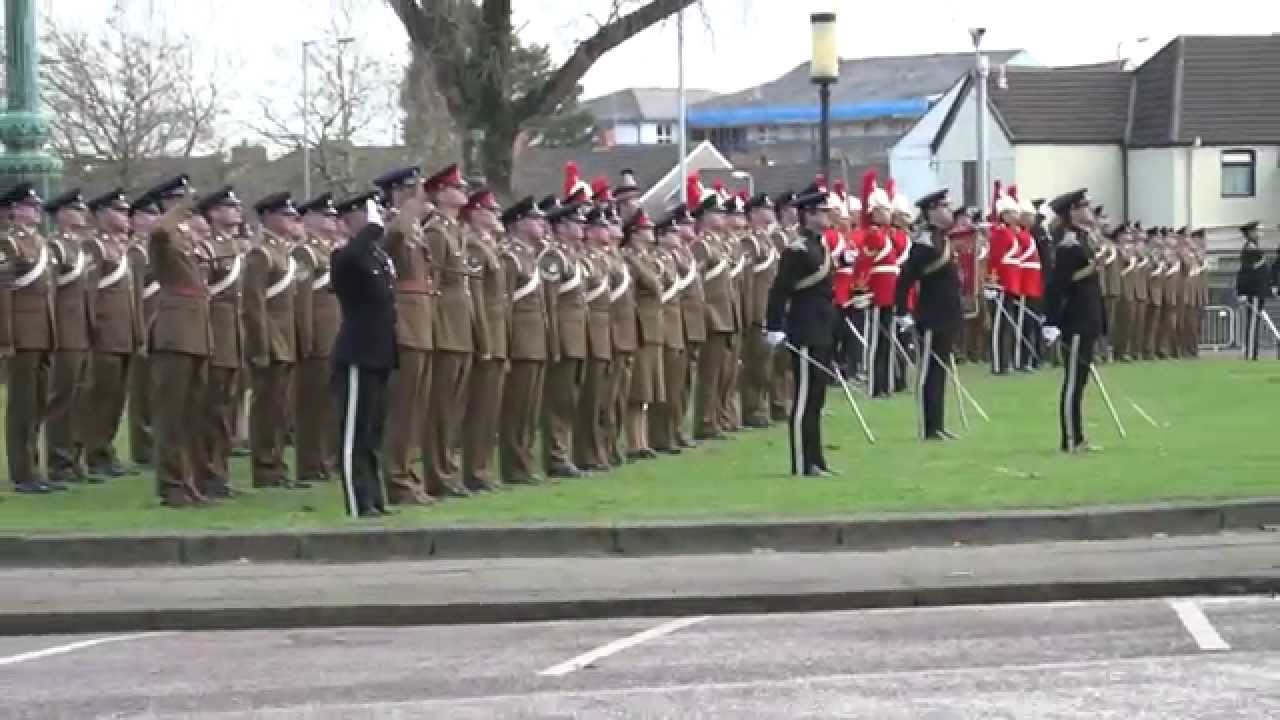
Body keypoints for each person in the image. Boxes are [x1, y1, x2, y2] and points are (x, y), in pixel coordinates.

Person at [145, 174, 215, 506]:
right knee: (170, 416)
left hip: (197, 333)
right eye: (177, 200)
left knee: (192, 415)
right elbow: (158, 230)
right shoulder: (163, 238)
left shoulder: (186, 241)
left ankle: (189, 482)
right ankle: (171, 485)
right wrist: (182, 207)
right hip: (174, 335)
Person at [764, 184, 839, 477]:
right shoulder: (797, 249)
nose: (827, 215)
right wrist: (775, 326)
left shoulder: (820, 246)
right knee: (805, 398)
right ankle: (801, 461)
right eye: (822, 211)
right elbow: (779, 290)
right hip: (805, 328)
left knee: (817, 399)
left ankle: (816, 459)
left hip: (822, 326)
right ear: (808, 215)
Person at [422, 163, 487, 498]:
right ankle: (438, 474)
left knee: (455, 408)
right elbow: (431, 284)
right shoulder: (435, 232)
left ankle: (449, 471)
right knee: (441, 408)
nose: (463, 192)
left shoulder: (454, 232)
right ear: (441, 193)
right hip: (446, 326)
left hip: (461, 326)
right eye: (456, 187)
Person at [373, 165, 435, 506]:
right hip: (404, 325)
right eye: (413, 188)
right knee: (401, 408)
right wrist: (406, 213)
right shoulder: (390, 223)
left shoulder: (413, 226)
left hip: (421, 323)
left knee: (415, 409)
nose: (420, 194)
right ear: (398, 191)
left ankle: (409, 475)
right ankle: (396, 479)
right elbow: (385, 247)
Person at [330, 195, 394, 518]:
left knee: (372, 432)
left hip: (380, 353)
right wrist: (370, 228)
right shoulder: (344, 256)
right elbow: (348, 261)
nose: (373, 219)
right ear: (346, 220)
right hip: (357, 352)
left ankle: (375, 499)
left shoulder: (377, 257)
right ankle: (358, 502)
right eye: (363, 214)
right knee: (354, 433)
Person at [80, 188, 146, 481]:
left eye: (125, 211)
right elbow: (90, 294)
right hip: (105, 333)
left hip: (124, 334)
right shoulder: (94, 248)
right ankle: (94, 455)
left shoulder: (124, 249)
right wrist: (93, 329)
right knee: (100, 397)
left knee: (116, 399)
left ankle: (106, 451)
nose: (124, 216)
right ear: (101, 215)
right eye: (118, 211)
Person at [0, 182, 59, 493]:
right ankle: (22, 472)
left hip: (43, 332)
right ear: (13, 211)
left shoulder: (41, 243)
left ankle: (34, 467)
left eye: (36, 206)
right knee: (22, 405)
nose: (35, 211)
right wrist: (6, 338)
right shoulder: (8, 243)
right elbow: (4, 293)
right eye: (28, 206)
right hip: (22, 335)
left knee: (38, 403)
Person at [244, 191, 303, 489]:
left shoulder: (283, 251)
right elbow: (254, 305)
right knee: (266, 408)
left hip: (286, 339)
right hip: (271, 340)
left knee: (280, 409)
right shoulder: (261, 253)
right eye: (284, 215)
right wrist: (260, 346)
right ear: (267, 217)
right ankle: (265, 469)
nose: (290, 220)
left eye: (291, 215)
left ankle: (277, 465)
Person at [896, 189, 962, 441]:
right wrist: (903, 311)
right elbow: (905, 280)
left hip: (947, 314)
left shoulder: (942, 239)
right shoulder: (924, 243)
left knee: (940, 370)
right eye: (944, 207)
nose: (949, 211)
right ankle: (929, 427)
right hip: (932, 315)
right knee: (930, 373)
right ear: (932, 211)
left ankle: (939, 424)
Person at [1042, 188, 1105, 454]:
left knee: (1080, 381)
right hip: (1075, 319)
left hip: (1087, 317)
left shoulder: (1082, 238)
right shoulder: (1069, 244)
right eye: (1084, 207)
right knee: (1073, 382)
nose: (1089, 211)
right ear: (1073, 212)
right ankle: (1070, 438)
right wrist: (1052, 322)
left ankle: (1078, 437)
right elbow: (1057, 285)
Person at [194, 186, 248, 498]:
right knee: (211, 409)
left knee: (227, 409)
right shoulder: (207, 250)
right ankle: (208, 474)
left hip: (234, 336)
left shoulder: (236, 248)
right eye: (229, 207)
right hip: (216, 336)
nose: (236, 212)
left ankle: (220, 472)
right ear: (213, 213)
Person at [497, 196, 553, 486]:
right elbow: (504, 304)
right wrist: (505, 345)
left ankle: (525, 461)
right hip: (519, 341)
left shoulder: (530, 255)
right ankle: (514, 466)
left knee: (529, 410)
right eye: (534, 219)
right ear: (518, 223)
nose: (541, 224)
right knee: (516, 409)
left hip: (535, 340)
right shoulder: (510, 256)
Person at [43, 189, 94, 486]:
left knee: (80, 397)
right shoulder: (56, 248)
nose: (81, 214)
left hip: (82, 331)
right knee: (61, 398)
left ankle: (75, 459)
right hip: (64, 331)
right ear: (61, 214)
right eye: (75, 209)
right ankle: (59, 461)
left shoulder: (79, 247)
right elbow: (51, 292)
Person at [460, 188, 509, 492]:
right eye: (490, 211)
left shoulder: (491, 246)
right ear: (476, 214)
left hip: (499, 333)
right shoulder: (475, 247)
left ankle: (484, 469)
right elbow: (477, 299)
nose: (496, 215)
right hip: (487, 335)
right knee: (479, 410)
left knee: (491, 411)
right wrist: (485, 342)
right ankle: (475, 471)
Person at [294, 192, 342, 485]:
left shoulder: (332, 252)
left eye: (334, 216)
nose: (332, 221)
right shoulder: (305, 253)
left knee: (331, 404)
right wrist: (306, 338)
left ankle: (327, 459)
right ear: (309, 219)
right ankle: (311, 463)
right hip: (318, 337)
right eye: (326, 216)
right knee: (313, 405)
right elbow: (302, 301)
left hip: (336, 334)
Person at [1236, 221, 1270, 361]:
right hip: (1253, 292)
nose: (1259, 233)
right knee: (1252, 324)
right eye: (1257, 230)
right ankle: (1250, 354)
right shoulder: (1250, 249)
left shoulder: (1255, 248)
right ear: (1250, 233)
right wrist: (1242, 292)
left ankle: (1252, 353)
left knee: (1255, 323)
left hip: (1259, 291)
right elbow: (1245, 273)